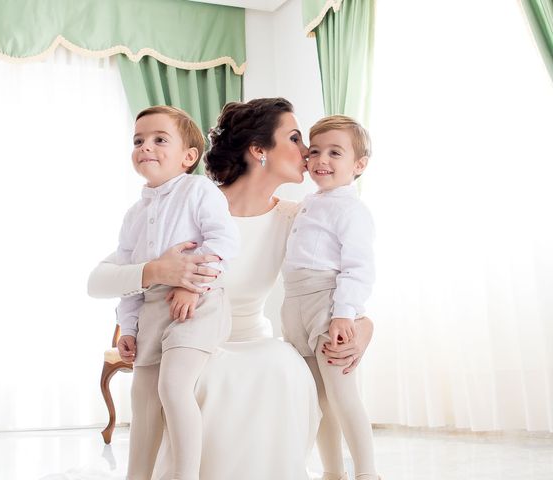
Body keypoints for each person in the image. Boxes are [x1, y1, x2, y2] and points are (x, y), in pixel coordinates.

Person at [87, 98, 374, 480]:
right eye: (295, 138)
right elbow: (98, 280)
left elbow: (333, 279)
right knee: (198, 377)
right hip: (192, 339)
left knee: (281, 365)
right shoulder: (191, 204)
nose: (307, 152)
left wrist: (364, 327)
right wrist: (156, 270)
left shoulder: (297, 218)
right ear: (259, 151)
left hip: (255, 341)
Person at [112, 105, 239, 480]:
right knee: (143, 397)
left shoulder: (198, 190)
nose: (145, 147)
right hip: (153, 308)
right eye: (139, 141)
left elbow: (223, 240)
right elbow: (127, 276)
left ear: (188, 157)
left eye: (159, 139)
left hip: (197, 304)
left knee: (173, 385)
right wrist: (130, 328)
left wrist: (190, 284)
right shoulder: (134, 214)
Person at [281, 115, 379, 480]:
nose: (321, 160)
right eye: (316, 151)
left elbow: (358, 268)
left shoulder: (351, 210)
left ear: (358, 165)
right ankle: (332, 472)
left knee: (342, 395)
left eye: (335, 153)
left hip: (328, 303)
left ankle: (367, 472)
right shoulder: (309, 202)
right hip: (295, 305)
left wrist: (344, 314)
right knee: (318, 401)